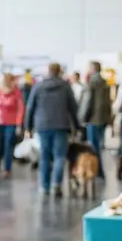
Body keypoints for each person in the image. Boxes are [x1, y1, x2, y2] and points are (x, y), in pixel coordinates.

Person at [24, 63, 80, 197]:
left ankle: (44, 186)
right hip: (61, 125)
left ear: (47, 71)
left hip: (42, 125)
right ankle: (56, 184)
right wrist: (77, 127)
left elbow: (30, 107)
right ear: (59, 71)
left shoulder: (38, 86)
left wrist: (27, 127)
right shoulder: (65, 87)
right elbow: (73, 108)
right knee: (59, 156)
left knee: (44, 156)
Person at [78, 61, 113, 180]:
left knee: (93, 147)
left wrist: (81, 119)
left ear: (92, 69)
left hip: (92, 119)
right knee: (99, 145)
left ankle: (97, 171)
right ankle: (99, 171)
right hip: (102, 119)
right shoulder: (105, 83)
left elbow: (87, 102)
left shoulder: (91, 83)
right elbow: (108, 103)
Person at [0, 72, 24, 177]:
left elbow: (20, 109)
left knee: (8, 146)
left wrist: (18, 123)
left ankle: (7, 169)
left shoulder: (16, 93)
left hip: (11, 123)